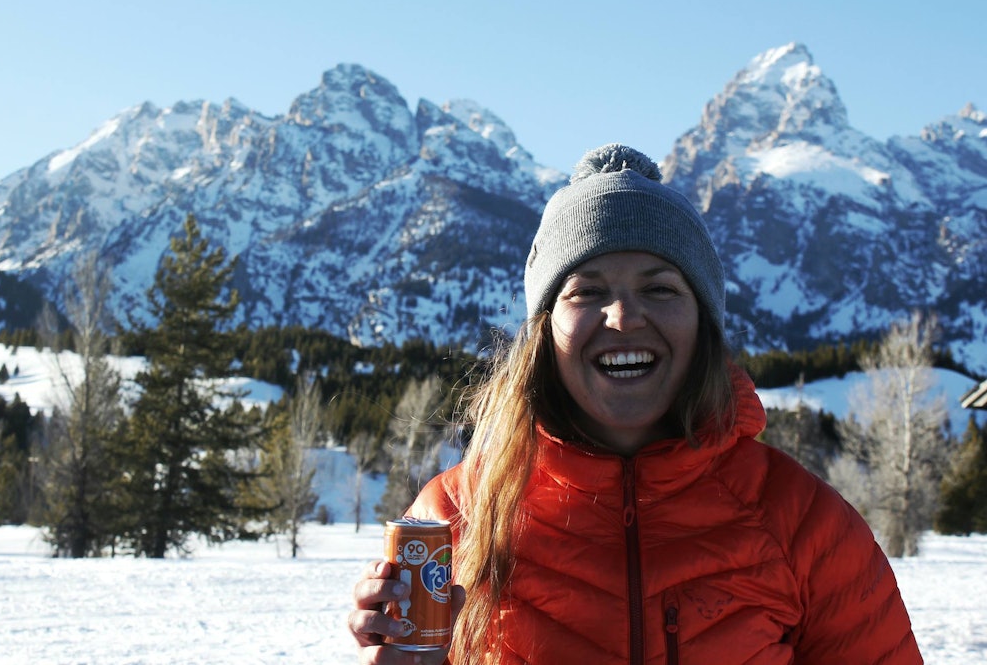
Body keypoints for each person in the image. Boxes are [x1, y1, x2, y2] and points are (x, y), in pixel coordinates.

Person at [349, 144, 922, 664]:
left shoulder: (804, 524)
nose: (622, 318)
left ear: (704, 324)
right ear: (545, 332)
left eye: (660, 289)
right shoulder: (455, 516)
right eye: (587, 292)